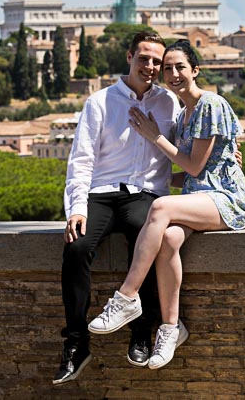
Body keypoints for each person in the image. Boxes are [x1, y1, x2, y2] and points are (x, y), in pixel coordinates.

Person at [87, 40, 245, 370]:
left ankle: (126, 298)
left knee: (159, 208)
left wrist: (153, 135)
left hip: (224, 198)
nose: (173, 74)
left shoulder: (210, 104)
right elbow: (190, 172)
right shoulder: (183, 114)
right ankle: (171, 328)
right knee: (171, 239)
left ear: (195, 71)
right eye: (168, 68)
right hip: (197, 196)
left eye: (180, 67)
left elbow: (192, 167)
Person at [53, 31, 181, 385]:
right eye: (145, 59)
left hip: (146, 195)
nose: (151, 67)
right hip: (101, 194)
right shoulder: (99, 102)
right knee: (76, 248)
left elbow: (192, 146)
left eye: (157, 61)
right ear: (129, 57)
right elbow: (81, 159)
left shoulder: (169, 104)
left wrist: (225, 157)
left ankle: (141, 331)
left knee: (145, 236)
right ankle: (77, 344)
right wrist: (76, 208)